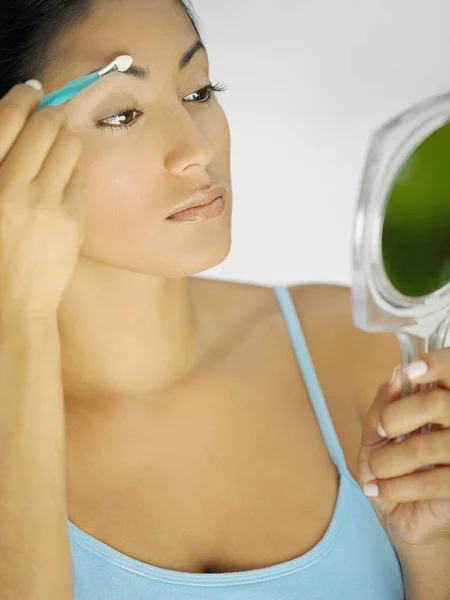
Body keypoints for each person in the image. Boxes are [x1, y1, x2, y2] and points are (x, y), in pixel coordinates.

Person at [0, 1, 449, 599]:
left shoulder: (368, 353)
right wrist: (17, 320)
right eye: (123, 115)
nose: (196, 149)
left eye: (199, 91)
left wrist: (431, 548)